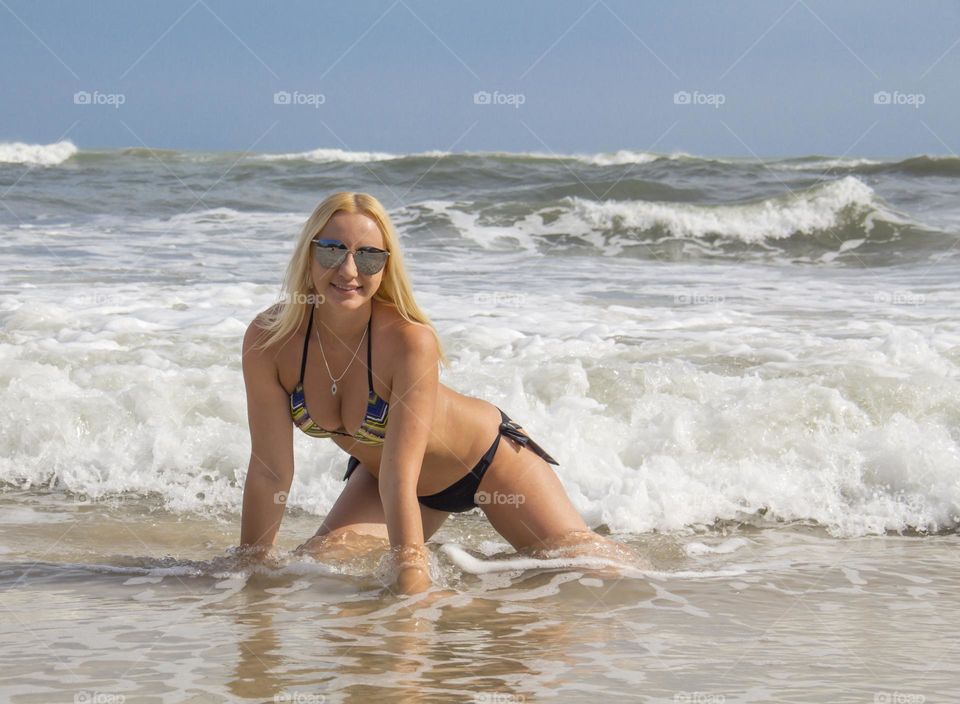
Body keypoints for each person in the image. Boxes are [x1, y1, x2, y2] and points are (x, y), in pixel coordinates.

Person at [239, 192, 632, 594]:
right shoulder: (271, 341)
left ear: (386, 265)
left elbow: (401, 476)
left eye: (369, 256)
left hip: (490, 466)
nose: (349, 269)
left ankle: (684, 569)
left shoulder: (409, 341)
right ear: (309, 252)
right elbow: (271, 473)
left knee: (593, 571)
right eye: (333, 250)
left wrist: (411, 581)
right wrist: (250, 569)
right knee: (316, 563)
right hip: (381, 476)